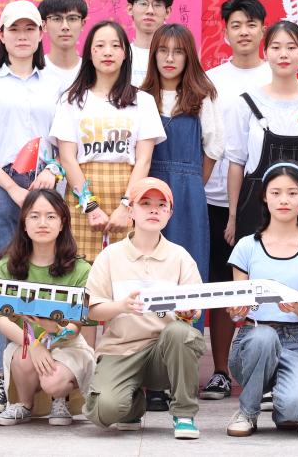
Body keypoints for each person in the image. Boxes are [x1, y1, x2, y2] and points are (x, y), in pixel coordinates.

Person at [0, 0, 63, 414]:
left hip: (44, 186)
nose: (22, 37)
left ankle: (46, 377)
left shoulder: (56, 82)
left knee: (46, 279)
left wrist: (52, 172)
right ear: (1, 35)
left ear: (41, 34)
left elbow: (63, 141)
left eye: (29, 29)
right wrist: (10, 188)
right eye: (14, 29)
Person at [83, 178, 206, 439]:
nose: (154, 210)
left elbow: (195, 308)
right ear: (131, 211)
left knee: (181, 333)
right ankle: (132, 402)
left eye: (162, 205)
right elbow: (92, 310)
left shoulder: (180, 256)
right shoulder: (110, 256)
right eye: (146, 204)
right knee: (104, 411)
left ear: (170, 213)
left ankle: (184, 414)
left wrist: (188, 313)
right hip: (120, 350)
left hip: (164, 353)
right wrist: (121, 306)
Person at [202, 0, 271, 401]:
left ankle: (269, 369)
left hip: (266, 202)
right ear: (226, 33)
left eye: (251, 24)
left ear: (264, 30)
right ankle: (221, 371)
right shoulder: (210, 80)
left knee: (264, 284)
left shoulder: (275, 73)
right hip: (213, 199)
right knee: (219, 283)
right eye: (236, 25)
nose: (244, 32)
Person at [50, 20, 165, 264]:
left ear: (125, 54)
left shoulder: (143, 101)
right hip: (81, 198)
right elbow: (68, 158)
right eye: (100, 46)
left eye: (115, 45)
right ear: (90, 54)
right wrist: (89, 206)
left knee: (128, 269)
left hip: (129, 195)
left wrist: (126, 206)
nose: (107, 52)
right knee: (79, 270)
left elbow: (144, 160)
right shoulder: (71, 100)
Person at [225, 162, 298, 437]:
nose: (284, 200)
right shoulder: (247, 246)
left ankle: (283, 407)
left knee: (297, 406)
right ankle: (247, 411)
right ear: (264, 197)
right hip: (253, 337)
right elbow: (237, 313)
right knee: (264, 337)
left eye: (292, 193)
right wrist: (237, 310)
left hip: (295, 339)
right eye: (276, 192)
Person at [0, 189, 95, 427]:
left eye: (51, 216)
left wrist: (56, 330)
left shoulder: (81, 269)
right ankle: (24, 405)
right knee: (24, 356)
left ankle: (61, 399)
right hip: (25, 342)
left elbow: (77, 325)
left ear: (62, 223)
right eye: (34, 216)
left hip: (68, 344)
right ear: (24, 223)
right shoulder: (7, 266)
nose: (42, 223)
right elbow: (2, 320)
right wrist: (33, 344)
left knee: (53, 381)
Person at [226, 20, 298, 243]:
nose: (283, 54)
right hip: (253, 211)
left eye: (291, 47)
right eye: (276, 47)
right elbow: (236, 163)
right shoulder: (247, 103)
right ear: (265, 53)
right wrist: (233, 217)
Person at [141, 23, 223, 282]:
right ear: (153, 54)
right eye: (163, 51)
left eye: (178, 52)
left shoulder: (201, 96)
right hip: (147, 189)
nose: (169, 58)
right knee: (146, 261)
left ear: (189, 57)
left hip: (188, 192)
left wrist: (192, 181)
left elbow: (214, 148)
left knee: (188, 262)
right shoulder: (141, 97)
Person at [127, 0, 173, 86]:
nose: (150, 11)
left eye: (157, 5)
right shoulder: (121, 55)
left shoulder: (175, 57)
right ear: (130, 9)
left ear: (167, 12)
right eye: (143, 3)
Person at [40, 0, 87, 86]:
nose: (65, 26)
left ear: (82, 24)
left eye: (72, 19)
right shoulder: (33, 72)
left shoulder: (95, 71)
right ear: (44, 25)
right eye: (56, 19)